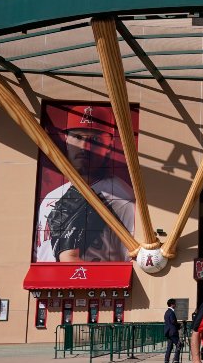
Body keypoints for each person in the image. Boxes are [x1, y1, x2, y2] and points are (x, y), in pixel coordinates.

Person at [35, 105, 135, 262]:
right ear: (67, 139)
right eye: (78, 137)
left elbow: (131, 262)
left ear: (109, 144)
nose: (84, 147)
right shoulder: (52, 197)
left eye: (95, 140)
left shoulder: (123, 199)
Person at [164, 298, 183, 363]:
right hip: (173, 332)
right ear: (172, 304)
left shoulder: (166, 312)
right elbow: (173, 321)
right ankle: (176, 361)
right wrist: (179, 325)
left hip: (168, 332)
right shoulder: (171, 312)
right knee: (179, 344)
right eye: (175, 304)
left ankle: (166, 361)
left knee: (170, 346)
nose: (176, 305)